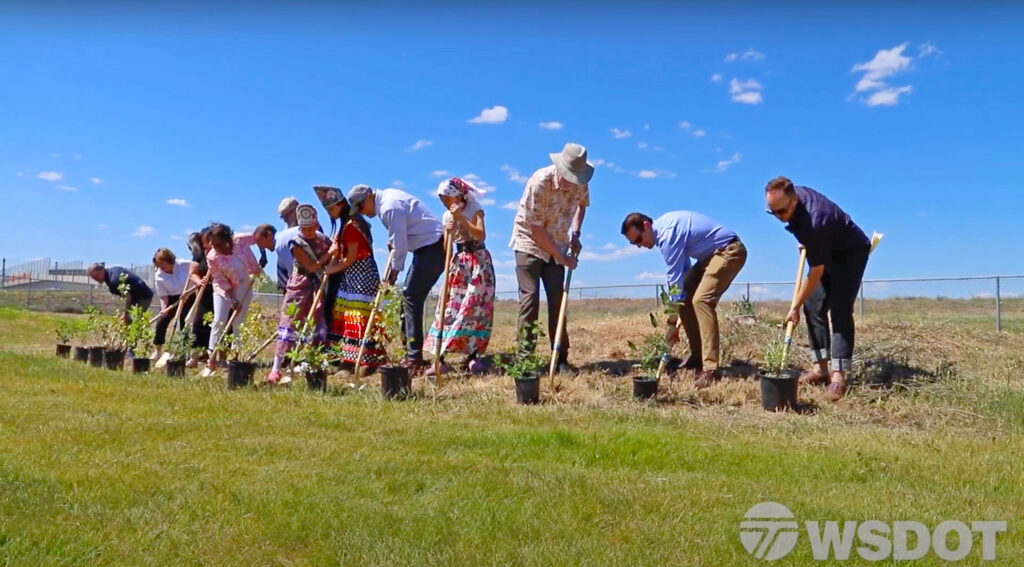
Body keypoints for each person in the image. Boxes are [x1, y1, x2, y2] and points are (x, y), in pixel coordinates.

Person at [764, 176, 871, 401]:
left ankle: (838, 377)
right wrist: (810, 243)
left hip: (850, 253)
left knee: (840, 309)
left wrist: (794, 306)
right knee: (813, 306)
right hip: (826, 246)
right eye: (772, 212)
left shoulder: (815, 221)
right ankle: (820, 368)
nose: (778, 217)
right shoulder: (794, 201)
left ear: (794, 202)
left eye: (781, 212)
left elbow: (816, 273)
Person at [621, 211, 747, 388]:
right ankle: (697, 357)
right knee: (686, 295)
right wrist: (676, 310)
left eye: (638, 240)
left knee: (701, 301)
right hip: (709, 257)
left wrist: (672, 321)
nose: (639, 245)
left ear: (647, 226)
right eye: (634, 243)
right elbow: (683, 275)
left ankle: (710, 369)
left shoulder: (667, 235)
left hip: (729, 250)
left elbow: (674, 281)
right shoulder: (665, 230)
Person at [508, 142, 591, 374]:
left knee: (558, 300)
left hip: (559, 242)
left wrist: (575, 233)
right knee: (530, 299)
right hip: (529, 244)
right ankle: (526, 360)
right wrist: (561, 258)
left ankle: (560, 357)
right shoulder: (540, 181)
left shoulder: (582, 181)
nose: (573, 180)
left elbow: (582, 206)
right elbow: (535, 230)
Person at [347, 183, 444, 373]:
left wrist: (393, 274)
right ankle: (410, 353)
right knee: (407, 299)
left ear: (369, 197)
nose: (362, 212)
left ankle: (414, 359)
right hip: (425, 249)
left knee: (410, 297)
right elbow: (397, 239)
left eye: (360, 207)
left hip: (432, 248)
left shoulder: (389, 206)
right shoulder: (388, 202)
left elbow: (400, 245)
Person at [424, 177, 496, 375]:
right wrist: (449, 232)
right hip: (460, 263)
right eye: (442, 199)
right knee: (449, 307)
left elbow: (481, 234)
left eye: (446, 198)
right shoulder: (447, 216)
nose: (445, 203)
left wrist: (462, 219)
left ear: (457, 195)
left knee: (473, 308)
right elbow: (448, 248)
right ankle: (440, 358)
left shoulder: (475, 208)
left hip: (478, 262)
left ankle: (473, 356)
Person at [314, 186, 386, 370]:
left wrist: (331, 269)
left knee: (358, 314)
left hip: (361, 276)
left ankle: (365, 360)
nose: (330, 213)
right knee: (348, 314)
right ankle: (349, 358)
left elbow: (351, 257)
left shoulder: (352, 226)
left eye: (332, 209)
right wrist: (323, 263)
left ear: (341, 205)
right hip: (351, 276)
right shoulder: (346, 225)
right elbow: (336, 248)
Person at [267, 205, 334, 384]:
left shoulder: (324, 240)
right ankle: (276, 369)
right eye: (305, 229)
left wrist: (332, 255)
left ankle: (311, 365)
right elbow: (312, 266)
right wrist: (330, 254)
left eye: (312, 227)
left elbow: (331, 260)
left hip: (317, 286)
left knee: (317, 322)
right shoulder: (296, 242)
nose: (309, 232)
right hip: (299, 283)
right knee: (289, 321)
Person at [204, 223, 262, 372]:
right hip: (223, 289)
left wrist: (263, 254)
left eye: (218, 244)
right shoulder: (212, 257)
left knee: (239, 323)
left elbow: (259, 237)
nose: (215, 247)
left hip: (244, 285)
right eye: (213, 244)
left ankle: (237, 358)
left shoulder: (241, 240)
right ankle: (211, 360)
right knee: (219, 321)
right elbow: (220, 279)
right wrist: (233, 299)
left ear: (227, 239)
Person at [151, 248, 194, 360]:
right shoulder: (159, 276)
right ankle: (158, 350)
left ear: (170, 260)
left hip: (189, 295)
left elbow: (197, 271)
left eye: (163, 263)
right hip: (171, 299)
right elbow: (163, 294)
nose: (162, 267)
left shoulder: (184, 264)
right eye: (159, 265)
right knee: (161, 322)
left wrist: (188, 293)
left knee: (185, 323)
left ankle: (185, 352)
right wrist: (164, 308)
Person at [86, 262, 154, 323]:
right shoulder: (112, 272)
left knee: (133, 322)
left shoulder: (113, 281)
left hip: (143, 297)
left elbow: (128, 297)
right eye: (93, 278)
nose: (95, 279)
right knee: (130, 321)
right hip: (138, 296)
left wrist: (126, 314)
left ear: (102, 270)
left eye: (96, 276)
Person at [185, 229, 214, 367]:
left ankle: (214, 357)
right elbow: (193, 273)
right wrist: (199, 281)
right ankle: (195, 356)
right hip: (205, 293)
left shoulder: (222, 253)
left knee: (219, 325)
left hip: (222, 293)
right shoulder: (199, 255)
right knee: (198, 324)